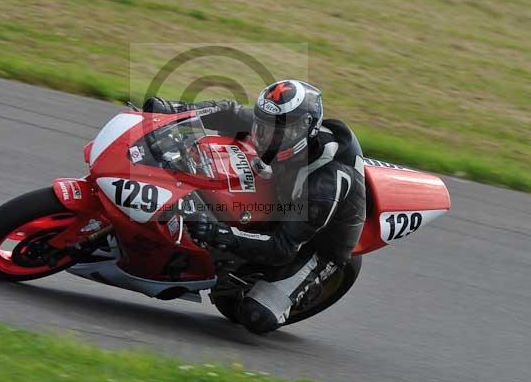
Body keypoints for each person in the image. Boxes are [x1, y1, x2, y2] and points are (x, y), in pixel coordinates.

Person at [143, 80, 366, 333]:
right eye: (263, 125)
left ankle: (299, 288)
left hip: (317, 244)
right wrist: (173, 110)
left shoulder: (324, 184)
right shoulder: (281, 122)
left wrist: (218, 234)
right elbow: (230, 112)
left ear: (303, 131)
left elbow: (281, 248)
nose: (264, 136)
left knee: (256, 317)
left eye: (275, 132)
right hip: (286, 196)